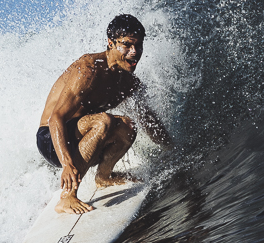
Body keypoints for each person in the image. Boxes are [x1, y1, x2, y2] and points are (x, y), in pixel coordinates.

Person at [36, 14, 173, 214]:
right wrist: (66, 163)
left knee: (128, 126)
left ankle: (103, 176)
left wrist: (173, 150)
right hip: (52, 139)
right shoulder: (88, 70)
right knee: (103, 121)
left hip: (85, 141)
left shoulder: (128, 83)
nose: (135, 52)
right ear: (110, 43)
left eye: (139, 46)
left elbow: (149, 121)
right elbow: (55, 118)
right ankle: (67, 197)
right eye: (127, 45)